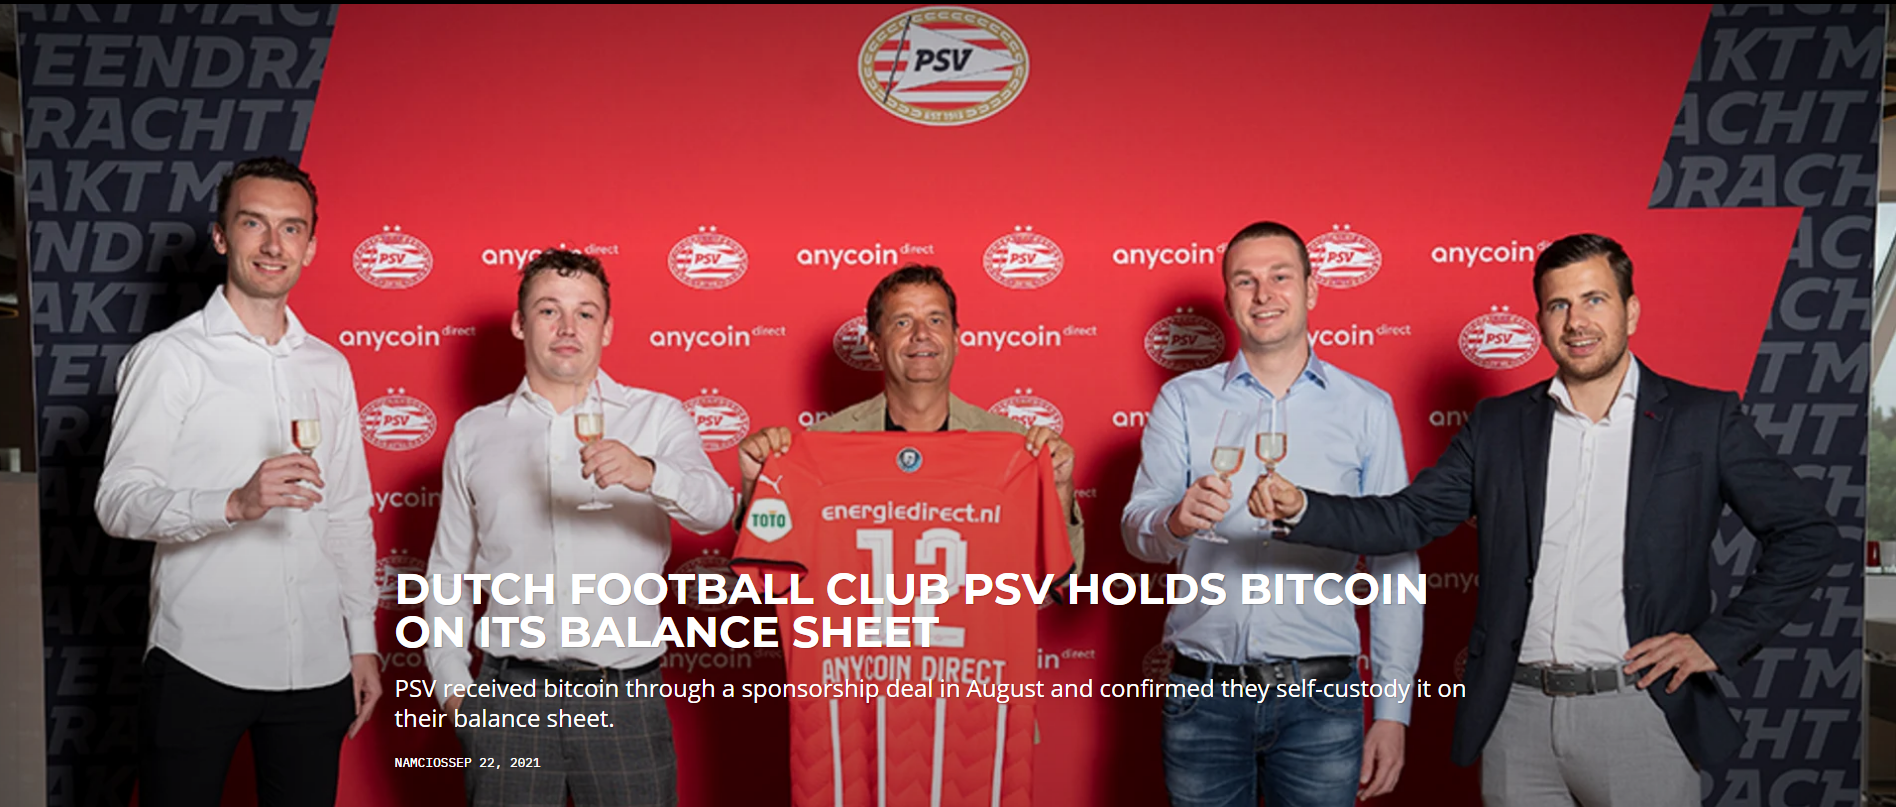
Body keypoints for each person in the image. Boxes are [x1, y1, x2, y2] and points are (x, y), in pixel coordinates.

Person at [1251, 233, 1839, 805]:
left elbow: (1807, 536)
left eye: (1594, 300)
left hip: (1641, 710)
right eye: (1559, 305)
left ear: (1631, 311)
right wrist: (1303, 507)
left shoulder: (1702, 419)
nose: (1576, 321)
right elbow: (1406, 519)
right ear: (1540, 321)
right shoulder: (1499, 426)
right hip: (1518, 717)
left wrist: (1717, 642)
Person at [95, 156, 379, 806]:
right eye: (254, 224)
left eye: (291, 228)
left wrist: (360, 642)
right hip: (200, 660)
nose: (274, 244)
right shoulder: (171, 357)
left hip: (316, 665)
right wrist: (232, 502)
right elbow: (118, 501)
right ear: (222, 237)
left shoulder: (329, 366)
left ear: (310, 245)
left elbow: (346, 513)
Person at [1119, 221, 1421, 807]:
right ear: (1228, 298)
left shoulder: (1367, 408)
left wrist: (1392, 711)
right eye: (1246, 280)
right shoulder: (1182, 400)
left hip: (1322, 701)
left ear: (1311, 289)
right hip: (1204, 696)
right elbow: (1137, 529)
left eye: (1280, 277)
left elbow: (1395, 567)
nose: (1264, 294)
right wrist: (1173, 521)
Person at [423, 249, 733, 807]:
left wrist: (649, 473)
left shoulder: (657, 416)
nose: (568, 327)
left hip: (623, 698)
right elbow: (448, 573)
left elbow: (715, 510)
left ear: (606, 329)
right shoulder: (476, 432)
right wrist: (454, 692)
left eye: (585, 313)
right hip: (508, 701)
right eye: (549, 311)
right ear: (520, 324)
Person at [734, 263, 1083, 569]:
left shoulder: (1017, 448)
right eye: (902, 322)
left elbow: (1060, 579)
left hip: (972, 627)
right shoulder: (818, 446)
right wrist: (757, 485)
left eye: (935, 320)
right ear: (873, 345)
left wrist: (1059, 488)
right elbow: (769, 566)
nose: (921, 334)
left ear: (955, 338)